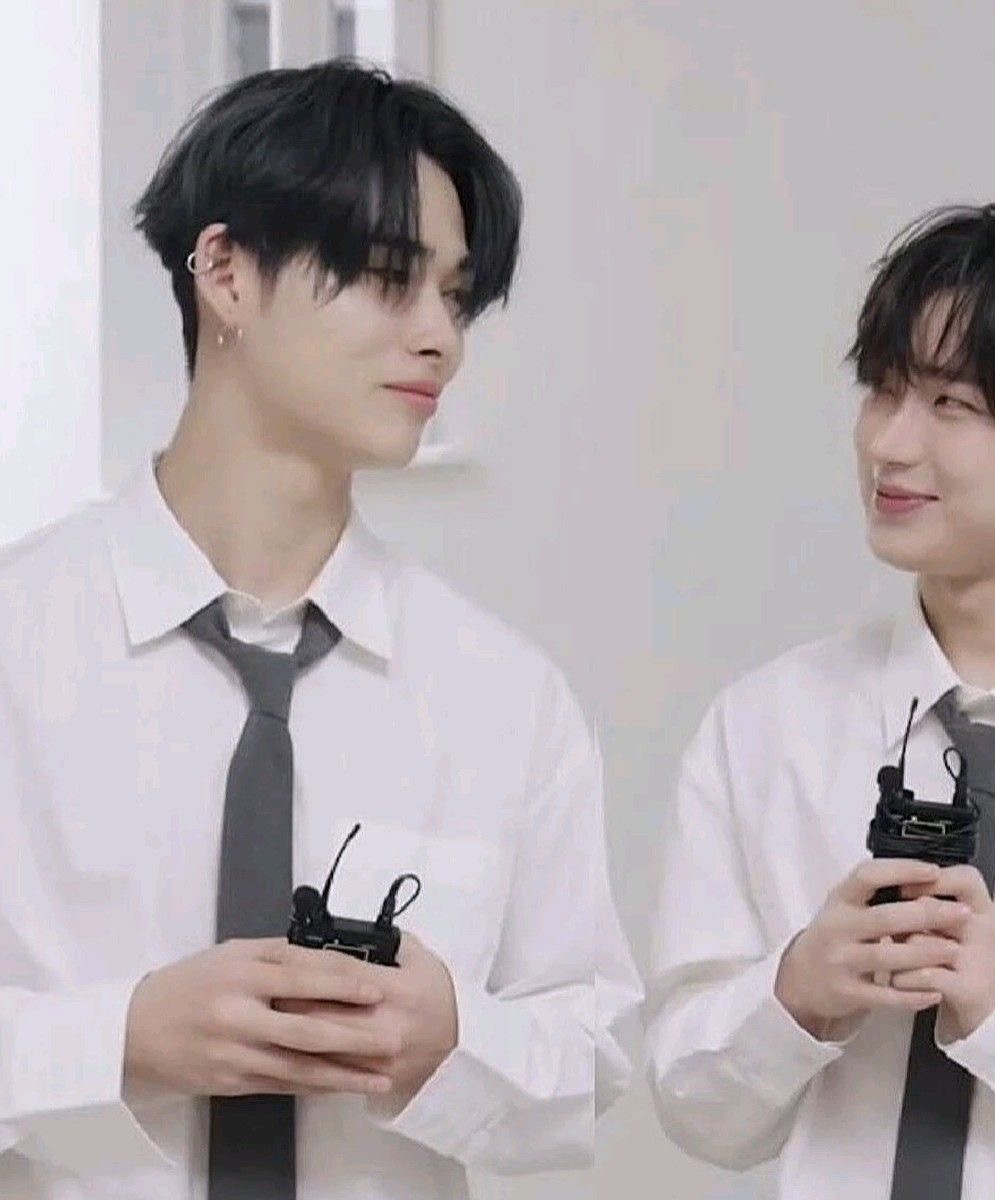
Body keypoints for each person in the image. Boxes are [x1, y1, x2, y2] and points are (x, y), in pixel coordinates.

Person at [0, 60, 640, 1200]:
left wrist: (455, 1042)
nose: (440, 338)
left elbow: (590, 1055)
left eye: (456, 296)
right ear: (227, 274)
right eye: (390, 279)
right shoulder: (17, 642)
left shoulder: (503, 697)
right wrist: (121, 1041)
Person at [646, 204, 995, 1199]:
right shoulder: (767, 728)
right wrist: (796, 996)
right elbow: (696, 1113)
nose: (890, 446)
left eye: (952, 404)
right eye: (883, 390)